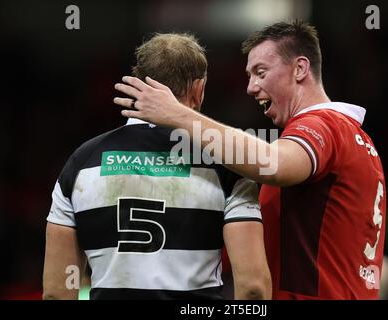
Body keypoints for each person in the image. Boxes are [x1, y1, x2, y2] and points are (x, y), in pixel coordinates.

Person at [114, 20, 387, 300]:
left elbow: (274, 164)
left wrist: (178, 115)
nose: (250, 87)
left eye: (260, 72)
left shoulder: (323, 126)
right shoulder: (355, 138)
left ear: (300, 69)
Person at [43, 33, 271, 300]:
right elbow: (253, 287)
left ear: (137, 83)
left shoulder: (81, 163)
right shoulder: (227, 165)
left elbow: (57, 294)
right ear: (198, 89)